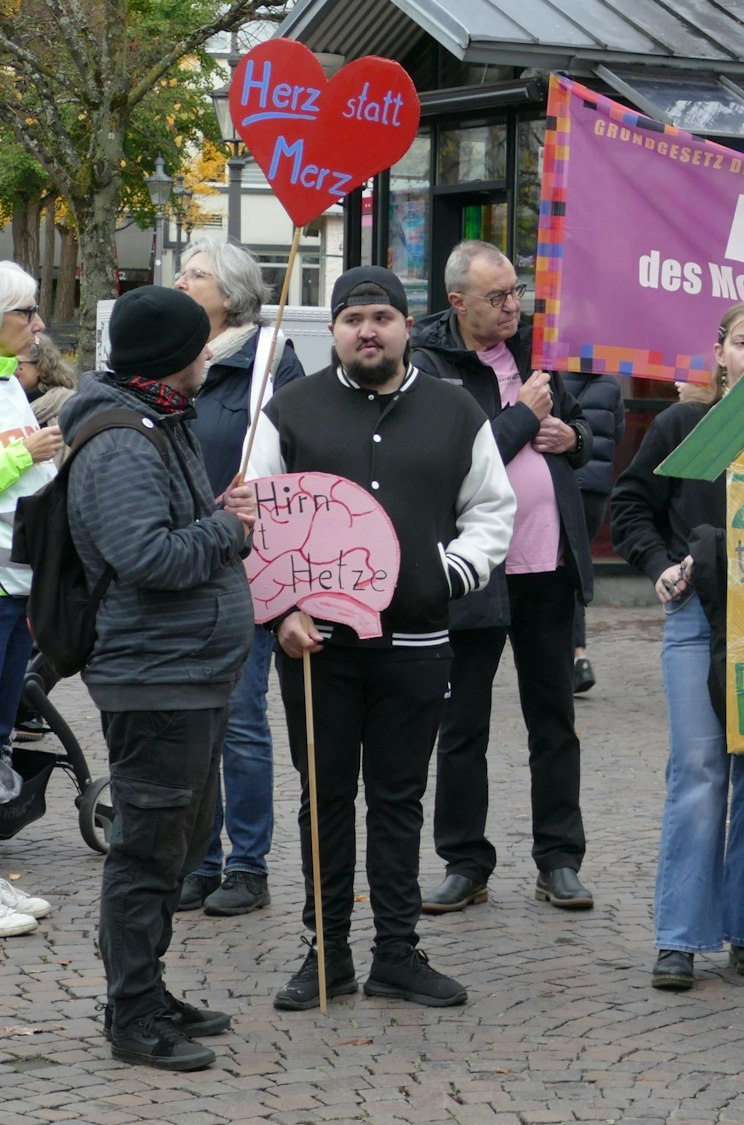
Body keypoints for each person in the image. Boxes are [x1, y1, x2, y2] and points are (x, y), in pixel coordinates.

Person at [246, 266, 514, 1012]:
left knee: (399, 797)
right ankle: (326, 952)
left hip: (418, 641)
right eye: (353, 318)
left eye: (382, 317)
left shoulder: (456, 411)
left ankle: (397, 951)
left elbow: (492, 509)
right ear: (331, 329)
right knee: (325, 798)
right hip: (316, 646)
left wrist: (446, 575)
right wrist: (283, 608)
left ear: (405, 325)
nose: (368, 330)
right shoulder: (288, 411)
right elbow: (259, 520)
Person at [68, 285, 257, 1070]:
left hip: (192, 671)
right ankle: (132, 1012)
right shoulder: (118, 439)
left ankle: (148, 986)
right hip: (155, 677)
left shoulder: (159, 418)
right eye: (198, 341)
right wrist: (228, 527)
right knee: (147, 850)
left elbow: (168, 529)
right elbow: (146, 557)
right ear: (167, 355)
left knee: (174, 845)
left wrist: (214, 515)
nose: (208, 352)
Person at [609, 302, 744, 992]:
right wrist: (659, 563)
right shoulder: (683, 424)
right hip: (697, 614)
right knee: (699, 769)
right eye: (741, 342)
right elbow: (630, 504)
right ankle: (680, 937)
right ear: (718, 355)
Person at [414, 241, 595, 915]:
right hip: (473, 570)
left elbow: (581, 433)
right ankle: (465, 860)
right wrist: (523, 417)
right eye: (498, 297)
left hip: (547, 565)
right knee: (464, 723)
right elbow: (445, 456)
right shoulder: (430, 366)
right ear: (459, 302)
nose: (513, 306)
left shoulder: (533, 356)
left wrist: (570, 439)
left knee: (554, 718)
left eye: (516, 292)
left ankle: (560, 858)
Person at [175, 237, 308, 918]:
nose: (180, 280)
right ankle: (200, 858)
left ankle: (248, 863)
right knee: (194, 718)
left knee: (240, 717)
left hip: (249, 563)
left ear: (228, 293)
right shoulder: (174, 362)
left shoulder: (270, 362)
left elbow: (299, 456)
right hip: (183, 557)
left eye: (194, 274)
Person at [0, 265, 60, 935]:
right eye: (27, 312)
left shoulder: (9, 381)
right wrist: (26, 453)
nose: (38, 325)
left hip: (16, 587)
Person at [562, 364, 624, 695]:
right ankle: (579, 655)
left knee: (558, 570)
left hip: (561, 485)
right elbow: (619, 433)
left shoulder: (550, 377)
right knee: (579, 569)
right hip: (595, 491)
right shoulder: (612, 384)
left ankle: (570, 656)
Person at [18, 331, 76, 429]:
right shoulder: (6, 402)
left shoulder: (67, 403)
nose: (9, 370)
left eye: (17, 363)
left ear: (40, 366)